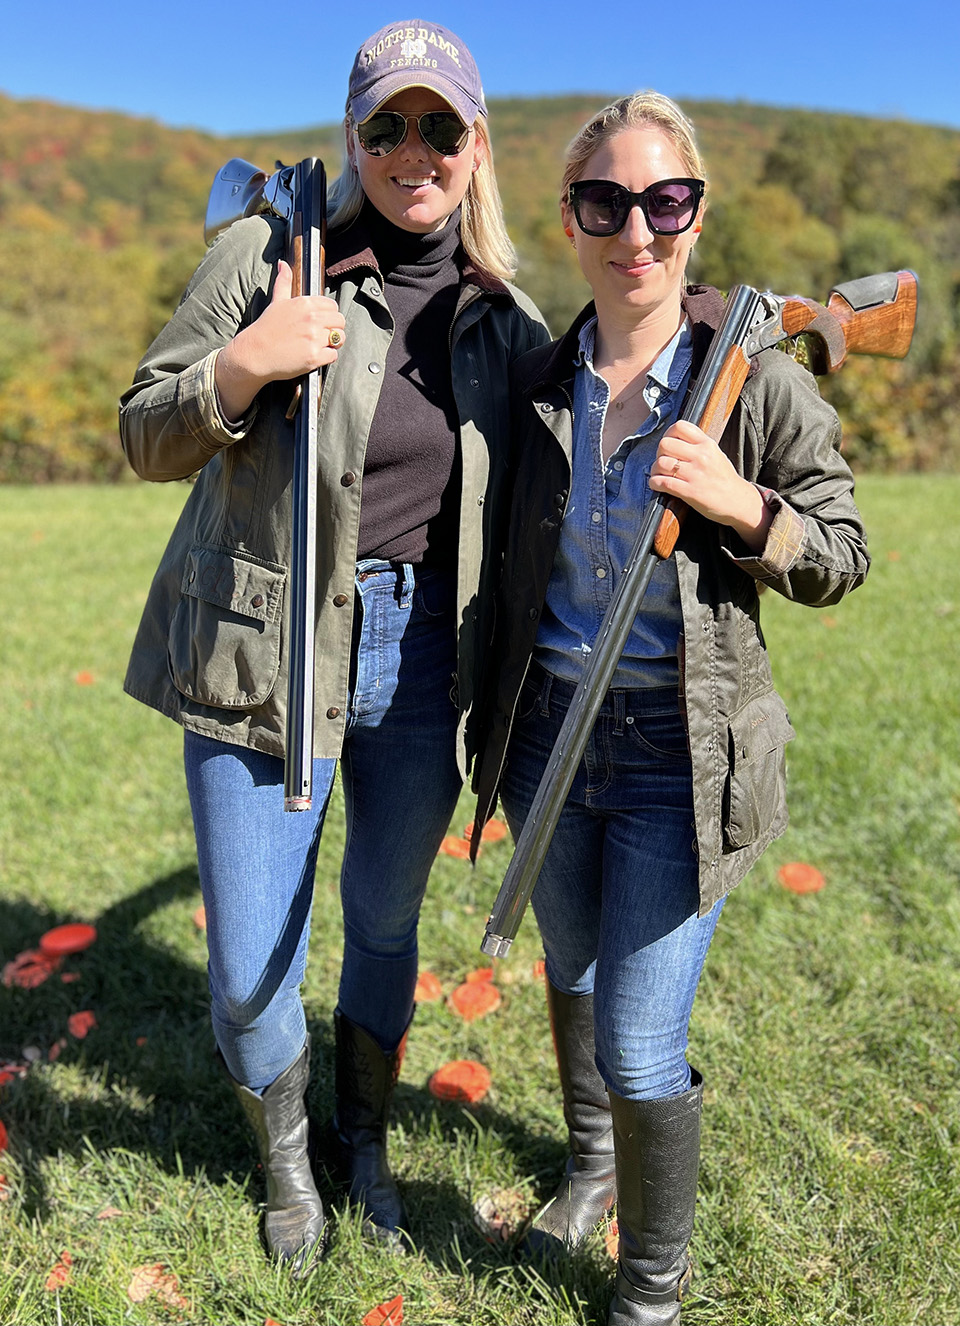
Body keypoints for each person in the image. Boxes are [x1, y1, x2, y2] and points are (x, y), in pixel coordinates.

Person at [119, 20, 547, 1273]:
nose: (414, 151)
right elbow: (144, 431)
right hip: (266, 648)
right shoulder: (267, 252)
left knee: (382, 921)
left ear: (475, 147)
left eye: (441, 126)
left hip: (423, 660)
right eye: (387, 126)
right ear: (352, 135)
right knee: (252, 970)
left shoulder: (501, 315)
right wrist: (242, 369)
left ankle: (359, 1138)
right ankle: (288, 1162)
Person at [472, 92, 869, 1323]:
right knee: (570, 970)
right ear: (572, 220)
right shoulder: (540, 377)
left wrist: (744, 508)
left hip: (675, 761)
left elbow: (843, 551)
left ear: (696, 215)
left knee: (643, 1043)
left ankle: (650, 1293)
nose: (634, 230)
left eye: (664, 202)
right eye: (605, 203)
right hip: (550, 735)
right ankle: (591, 1167)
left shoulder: (748, 379)